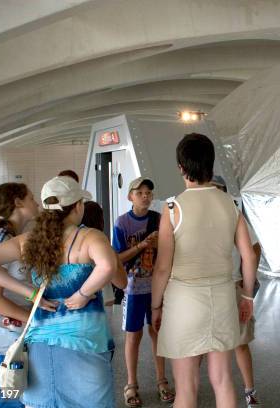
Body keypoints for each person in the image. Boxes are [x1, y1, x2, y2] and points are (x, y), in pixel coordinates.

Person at [0, 176, 118, 408]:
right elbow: (108, 267)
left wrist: (31, 293)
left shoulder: (29, 241)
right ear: (78, 206)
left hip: (40, 341)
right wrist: (83, 294)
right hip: (85, 339)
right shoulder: (89, 236)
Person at [151, 133, 258, 408]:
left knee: (187, 387)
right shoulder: (231, 205)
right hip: (222, 297)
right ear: (211, 164)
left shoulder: (173, 208)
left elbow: (163, 267)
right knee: (222, 380)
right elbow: (248, 256)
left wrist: (155, 307)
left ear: (181, 167)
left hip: (184, 300)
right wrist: (247, 297)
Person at [112, 177, 174, 407]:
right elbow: (116, 258)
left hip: (157, 286)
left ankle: (162, 381)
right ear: (130, 196)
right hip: (133, 289)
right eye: (140, 192)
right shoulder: (122, 223)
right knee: (133, 335)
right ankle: (131, 384)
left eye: (148, 192)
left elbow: (169, 251)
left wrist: (158, 245)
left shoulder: (159, 220)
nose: (145, 196)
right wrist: (142, 245)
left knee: (157, 331)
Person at [0, 183, 39, 408]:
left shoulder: (13, 236)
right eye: (32, 198)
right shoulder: (1, 240)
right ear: (18, 202)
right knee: (7, 400)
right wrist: (33, 316)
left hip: (18, 333)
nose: (37, 203)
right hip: (8, 338)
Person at [212, 175, 262, 407]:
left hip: (232, 286)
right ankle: (187, 390)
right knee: (204, 344)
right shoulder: (200, 216)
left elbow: (254, 249)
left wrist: (245, 282)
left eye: (218, 190)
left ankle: (250, 391)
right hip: (208, 289)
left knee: (240, 341)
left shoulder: (235, 216)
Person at [81, 200, 127, 306]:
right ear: (100, 220)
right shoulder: (102, 246)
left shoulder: (72, 245)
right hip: (103, 301)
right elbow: (122, 282)